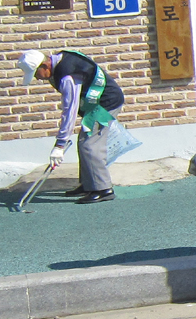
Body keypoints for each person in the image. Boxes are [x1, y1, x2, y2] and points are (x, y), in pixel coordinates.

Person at [17, 49, 124, 204]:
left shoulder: (68, 75)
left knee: (89, 145)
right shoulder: (61, 60)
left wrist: (60, 144)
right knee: (84, 142)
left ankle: (103, 189)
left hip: (106, 104)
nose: (37, 78)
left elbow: (70, 111)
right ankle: (89, 185)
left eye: (36, 73)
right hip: (96, 104)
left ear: (45, 66)